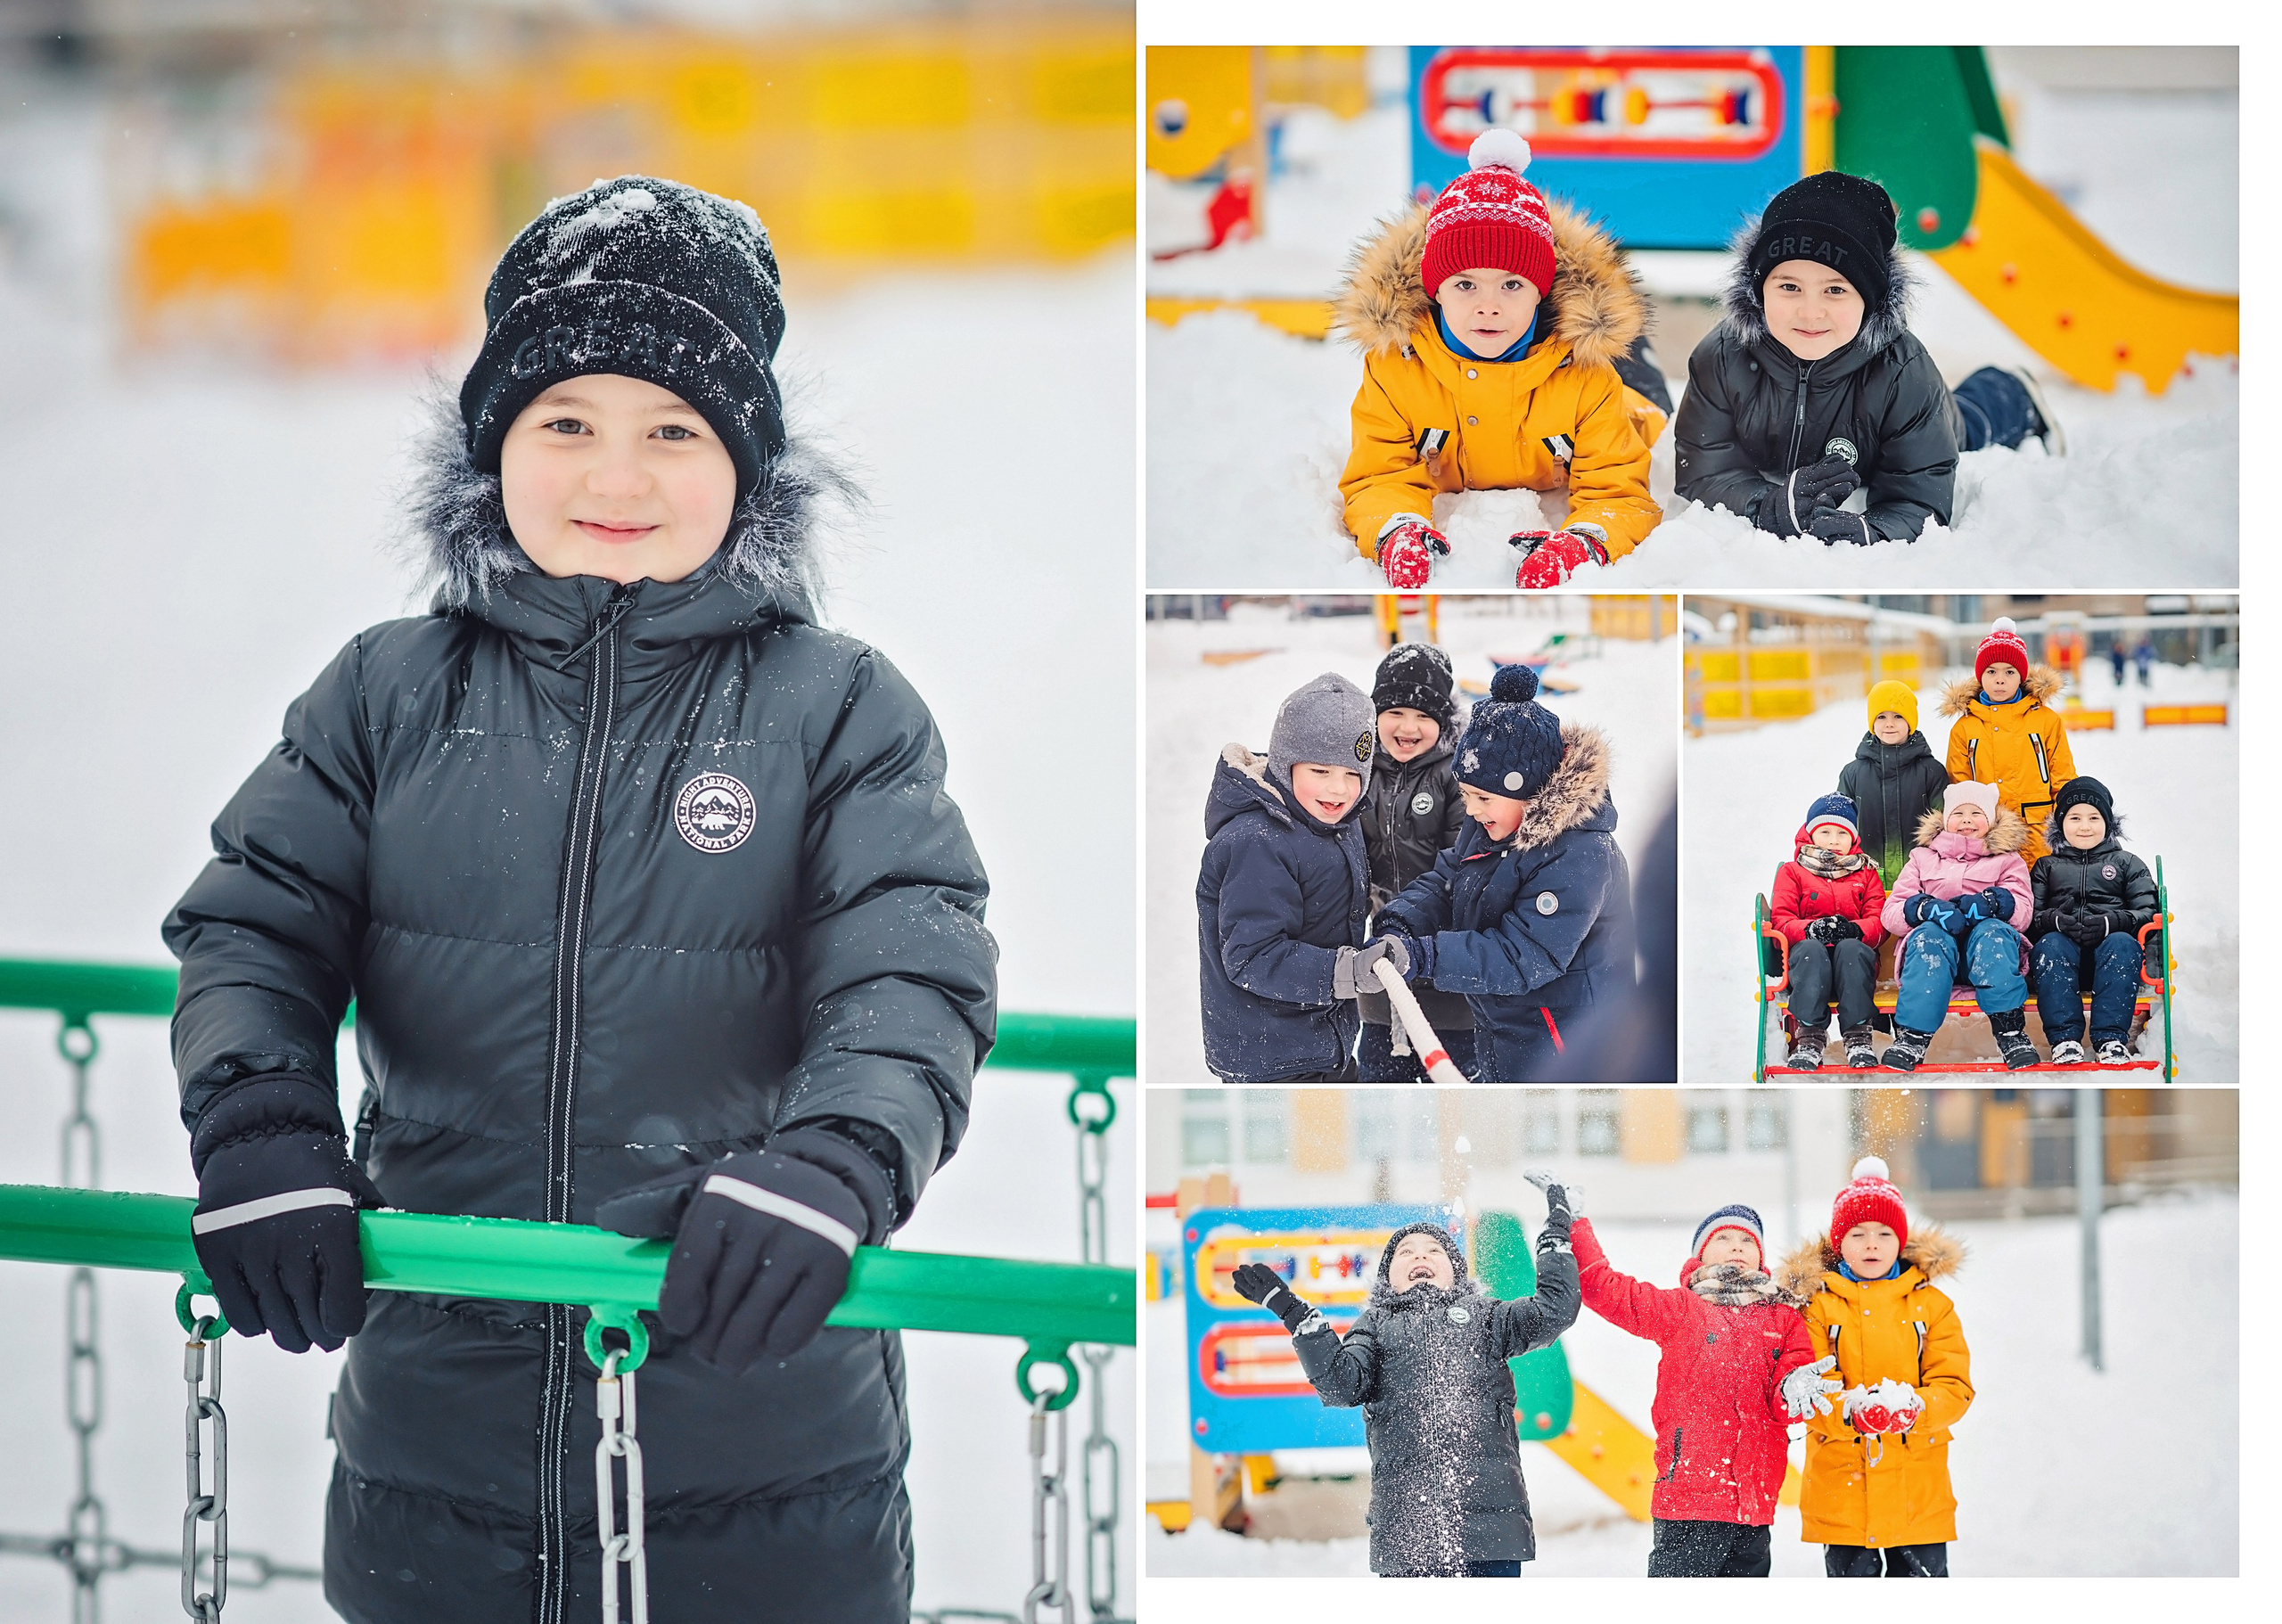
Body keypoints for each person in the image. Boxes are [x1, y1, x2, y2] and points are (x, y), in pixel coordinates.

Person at [162, 176, 997, 1622]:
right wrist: (261, 1121)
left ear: (750, 466)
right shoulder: (385, 695)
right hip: (438, 1447)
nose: (618, 477)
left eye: (674, 430)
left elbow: (912, 969)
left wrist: (832, 1163)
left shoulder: (839, 711)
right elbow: (257, 921)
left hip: (761, 1434)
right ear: (494, 452)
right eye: (566, 424)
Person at [1333, 129, 1668, 588]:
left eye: (1511, 285)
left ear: (1540, 291)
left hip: (1623, 402)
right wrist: (1394, 529)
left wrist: (1584, 542)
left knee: (1647, 401)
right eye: (1465, 284)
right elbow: (1377, 475)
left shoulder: (1588, 377)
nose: (1487, 306)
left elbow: (1620, 493)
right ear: (1434, 290)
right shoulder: (1397, 370)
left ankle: (1639, 354)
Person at [1674, 171, 2058, 546]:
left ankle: (2012, 391)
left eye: (1835, 290)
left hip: (1917, 425)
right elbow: (1703, 470)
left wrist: (1872, 530)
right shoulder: (1722, 358)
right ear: (1758, 289)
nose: (1810, 313)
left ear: (1869, 298)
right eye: (1789, 287)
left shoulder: (1903, 373)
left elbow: (1919, 495)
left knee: (1968, 426)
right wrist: (1769, 505)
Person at [1230, 1180, 1581, 1577]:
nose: (1421, 1255)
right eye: (1406, 1251)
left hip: (1489, 1530)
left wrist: (1556, 1232)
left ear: (1456, 1273)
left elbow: (1554, 1310)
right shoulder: (1375, 1326)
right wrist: (1295, 1314)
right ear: (1388, 1277)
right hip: (1408, 1532)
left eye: (1435, 1251)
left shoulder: (1488, 1318)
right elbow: (1341, 1384)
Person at [1369, 665, 1635, 1080]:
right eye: (1466, 795)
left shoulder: (1581, 853)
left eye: (1482, 797)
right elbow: (1448, 880)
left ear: (1528, 791)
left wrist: (1424, 956)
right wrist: (1401, 922)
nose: (1471, 810)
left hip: (1568, 1044)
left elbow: (1523, 956)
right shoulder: (1494, 822)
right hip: (1507, 1029)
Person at [1571, 1204, 1831, 1577]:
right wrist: (1576, 1223)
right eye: (1723, 1238)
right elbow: (1605, 1289)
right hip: (1689, 1499)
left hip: (1753, 1506)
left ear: (1760, 1254)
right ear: (1700, 1254)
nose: (1737, 1247)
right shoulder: (1681, 1309)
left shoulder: (1783, 1318)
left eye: (1747, 1240)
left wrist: (1793, 1389)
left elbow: (1786, 1403)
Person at [1777, 1158, 1971, 1577]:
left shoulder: (1931, 1307)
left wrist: (1919, 1407)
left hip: (1916, 1487)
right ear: (1838, 1243)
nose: (1871, 1245)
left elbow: (1953, 1384)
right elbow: (1809, 1386)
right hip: (1843, 1485)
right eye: (1857, 1234)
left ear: (1899, 1242)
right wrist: (1849, 1411)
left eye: (1884, 1234)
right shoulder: (1817, 1308)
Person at [1196, 672, 1375, 1082]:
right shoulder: (1257, 841)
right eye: (1321, 770)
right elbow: (1252, 955)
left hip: (1322, 1042)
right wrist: (1344, 971)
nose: (1338, 789)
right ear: (1285, 763)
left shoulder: (1332, 821)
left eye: (1353, 775)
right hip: (1270, 1057)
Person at [1355, 643, 1474, 1081]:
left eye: (1424, 716)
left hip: (1447, 973)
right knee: (1378, 1087)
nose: (1409, 727)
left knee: (1453, 1093)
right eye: (1396, 713)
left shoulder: (1458, 776)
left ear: (1443, 722)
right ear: (1375, 716)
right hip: (1382, 970)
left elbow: (1460, 865)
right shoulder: (1358, 773)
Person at [1879, 782, 2035, 1070]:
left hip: (1987, 953)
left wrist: (1994, 903)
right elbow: (1891, 914)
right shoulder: (1922, 857)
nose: (1966, 820)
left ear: (1989, 820)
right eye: (1958, 813)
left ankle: (2011, 1032)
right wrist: (1923, 908)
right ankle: (1913, 1036)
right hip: (1936, 956)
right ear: (1945, 819)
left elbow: (2023, 914)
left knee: (1993, 934)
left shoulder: (2008, 860)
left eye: (1975, 813)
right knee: (1928, 936)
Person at [2029, 777, 2159, 1064]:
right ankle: (2064, 1040)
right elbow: (2029, 918)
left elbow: (2149, 913)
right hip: (2062, 964)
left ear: (2108, 823)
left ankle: (2111, 1038)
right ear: (2060, 823)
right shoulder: (2046, 866)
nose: (2084, 826)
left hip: (2114, 963)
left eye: (2093, 817)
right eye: (2074, 818)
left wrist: (2112, 922)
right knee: (2049, 945)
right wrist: (2055, 921)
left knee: (2124, 944)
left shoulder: (2127, 863)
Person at [1940, 616, 2076, 864]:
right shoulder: (1964, 729)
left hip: (2038, 834)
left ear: (2021, 676)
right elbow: (1960, 787)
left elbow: (2063, 778)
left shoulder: (2046, 721)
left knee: (2044, 896)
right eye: (1991, 671)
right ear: (1981, 676)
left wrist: (2065, 824)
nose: (2000, 679)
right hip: (1986, 837)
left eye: (2009, 672)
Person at [1769, 793, 1886, 1070]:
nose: (1834, 840)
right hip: (1809, 967)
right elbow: (1781, 921)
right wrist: (1810, 929)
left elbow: (1880, 922)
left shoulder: (1866, 873)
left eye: (1841, 833)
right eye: (1825, 832)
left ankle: (1858, 1036)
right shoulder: (1793, 872)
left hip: (1853, 967)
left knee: (1852, 948)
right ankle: (1810, 1037)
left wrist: (1854, 930)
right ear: (1811, 834)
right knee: (1810, 950)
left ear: (1853, 838)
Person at [1835, 678, 1950, 889]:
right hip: (1865, 879)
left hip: (1919, 878)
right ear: (1872, 723)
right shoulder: (1853, 773)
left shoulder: (1931, 771)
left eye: (1898, 716)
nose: (1889, 723)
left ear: (1911, 721)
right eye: (1881, 717)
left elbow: (1945, 826)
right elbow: (1839, 826)